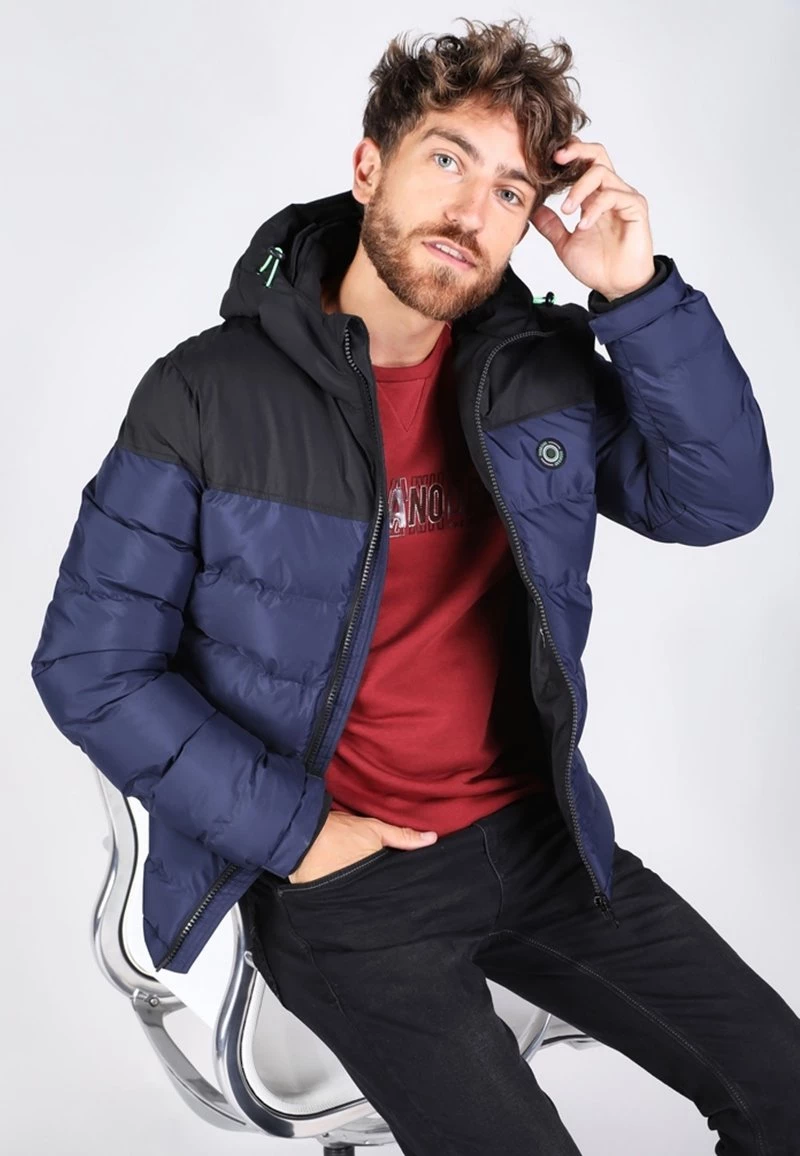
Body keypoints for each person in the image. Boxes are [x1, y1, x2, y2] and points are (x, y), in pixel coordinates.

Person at [31, 16, 800, 1155]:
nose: (469, 211)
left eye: (509, 191)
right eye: (447, 158)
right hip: (349, 880)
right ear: (367, 167)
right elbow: (90, 667)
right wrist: (301, 835)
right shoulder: (204, 394)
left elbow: (717, 499)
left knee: (784, 1089)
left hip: (541, 842)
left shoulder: (534, 372)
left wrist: (634, 297)